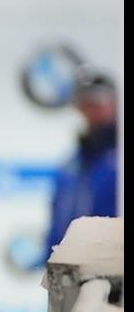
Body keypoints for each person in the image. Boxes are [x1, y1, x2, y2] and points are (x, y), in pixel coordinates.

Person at [45, 67, 119, 262]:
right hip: (70, 280)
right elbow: (55, 230)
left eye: (99, 103)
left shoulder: (117, 163)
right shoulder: (69, 169)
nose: (93, 111)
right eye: (86, 103)